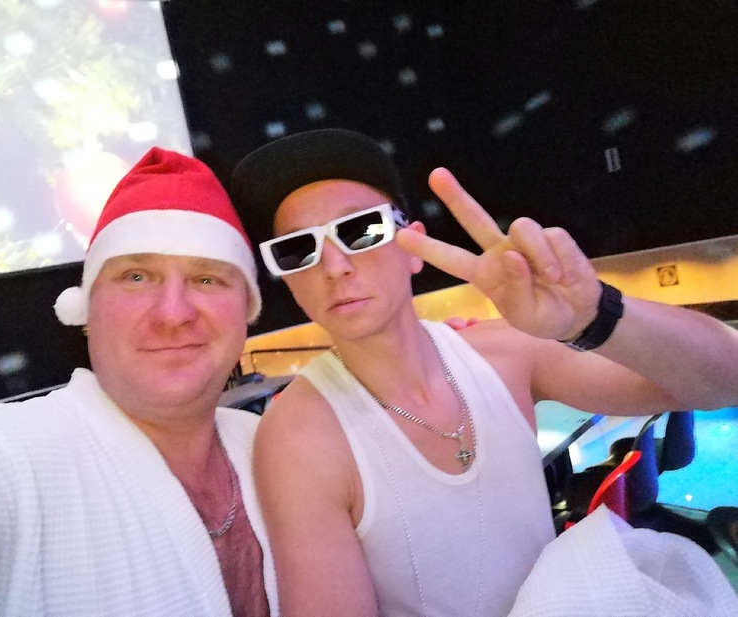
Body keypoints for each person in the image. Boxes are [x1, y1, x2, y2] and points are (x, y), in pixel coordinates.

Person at [229, 128, 738, 617]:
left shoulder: (503, 354)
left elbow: (725, 380)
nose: (334, 266)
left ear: (414, 248)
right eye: (297, 250)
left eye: (360, 230)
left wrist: (594, 315)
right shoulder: (298, 438)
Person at [0, 147, 278, 616]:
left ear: (246, 310)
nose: (173, 313)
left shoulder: (276, 451)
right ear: (86, 308)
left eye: (208, 279)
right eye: (136, 276)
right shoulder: (3, 462)